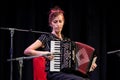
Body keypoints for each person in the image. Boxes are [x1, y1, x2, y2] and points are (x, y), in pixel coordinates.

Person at [24, 6, 97, 80]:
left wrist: (90, 64)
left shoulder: (67, 40)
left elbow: (77, 60)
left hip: (67, 73)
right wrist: (44, 53)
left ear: (63, 22)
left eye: (60, 21)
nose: (58, 24)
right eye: (55, 22)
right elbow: (27, 51)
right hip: (54, 73)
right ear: (50, 24)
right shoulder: (46, 37)